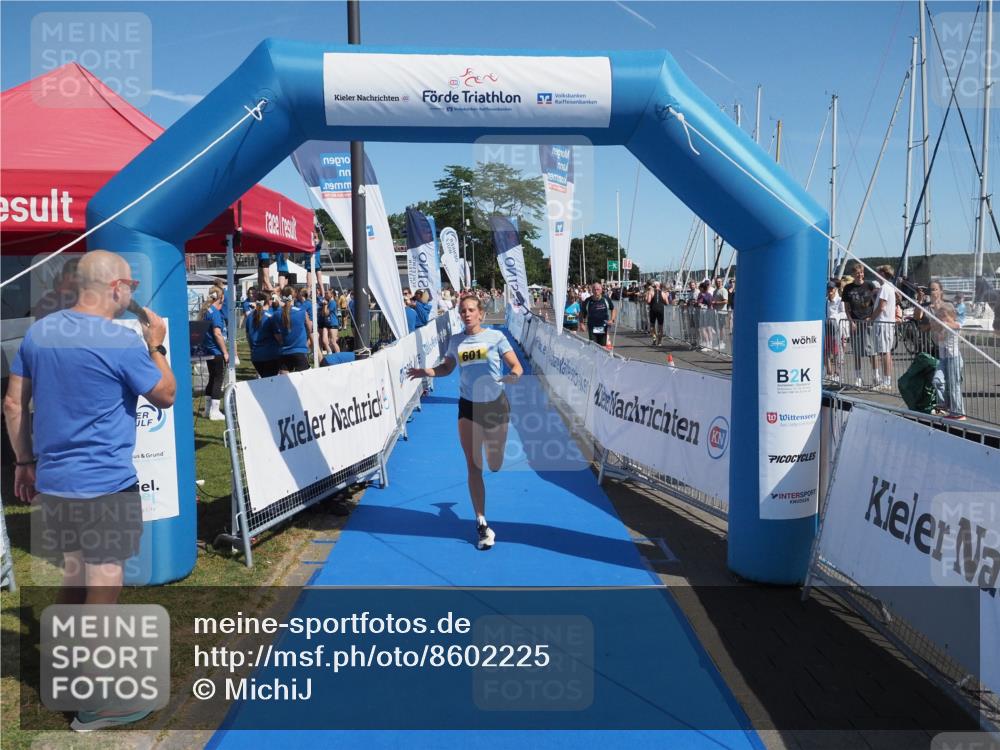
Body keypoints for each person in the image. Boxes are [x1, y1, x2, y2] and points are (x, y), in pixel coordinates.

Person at [3, 250, 175, 731]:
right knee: (104, 585)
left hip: (55, 483)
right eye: (131, 288)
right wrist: (155, 344)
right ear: (116, 287)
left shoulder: (40, 331)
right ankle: (95, 701)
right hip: (104, 484)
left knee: (76, 578)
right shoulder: (120, 342)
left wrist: (24, 462)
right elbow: (166, 394)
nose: (132, 297)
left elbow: (14, 405)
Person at [406, 295, 523, 550]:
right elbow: (447, 368)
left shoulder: (495, 338)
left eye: (471, 310)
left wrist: (513, 375)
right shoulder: (457, 341)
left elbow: (515, 365)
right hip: (467, 406)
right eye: (463, 311)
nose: (466, 314)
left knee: (494, 464)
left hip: (495, 406)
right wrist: (427, 371)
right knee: (473, 465)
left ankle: (496, 454)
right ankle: (481, 521)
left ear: (480, 313)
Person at [841, 262, 878, 387]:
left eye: (861, 272)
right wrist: (851, 322)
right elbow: (846, 308)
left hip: (868, 322)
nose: (860, 275)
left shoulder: (869, 285)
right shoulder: (848, 288)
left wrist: (872, 317)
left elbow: (877, 301)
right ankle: (858, 377)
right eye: (857, 273)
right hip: (855, 322)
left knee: (872, 350)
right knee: (856, 351)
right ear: (853, 274)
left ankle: (875, 376)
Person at [200, 289, 228, 420]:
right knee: (218, 379)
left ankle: (207, 410)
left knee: (212, 378)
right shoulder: (215, 313)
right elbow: (217, 333)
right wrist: (225, 352)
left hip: (208, 350)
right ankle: (215, 411)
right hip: (216, 351)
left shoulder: (206, 311)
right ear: (221, 298)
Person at [869, 265, 898, 389]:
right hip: (884, 323)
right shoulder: (887, 287)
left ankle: (887, 381)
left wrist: (871, 319)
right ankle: (886, 380)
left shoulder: (885, 288)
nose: (876, 275)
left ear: (882, 273)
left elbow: (881, 307)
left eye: (877, 272)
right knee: (884, 352)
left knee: (885, 352)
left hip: (883, 323)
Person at [245, 292, 282, 377]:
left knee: (265, 382)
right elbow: (279, 338)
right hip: (270, 355)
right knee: (271, 384)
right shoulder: (270, 317)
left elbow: (248, 337)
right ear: (268, 301)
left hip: (256, 356)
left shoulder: (250, 316)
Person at [276, 286, 311, 373]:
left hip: (284, 352)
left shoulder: (276, 314)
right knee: (305, 383)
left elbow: (276, 333)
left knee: (284, 384)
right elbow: (310, 329)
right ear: (294, 296)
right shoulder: (302, 312)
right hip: (299, 350)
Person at [581, 282, 616, 347]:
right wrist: (582, 323)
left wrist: (612, 319)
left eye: (598, 289)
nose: (596, 291)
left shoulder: (606, 299)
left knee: (603, 347)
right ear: (592, 290)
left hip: (603, 327)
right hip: (592, 327)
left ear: (601, 290)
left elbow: (613, 309)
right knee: (594, 347)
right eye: (594, 289)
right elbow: (582, 313)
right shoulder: (587, 301)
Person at [825, 281, 847, 380]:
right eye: (829, 288)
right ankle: (829, 373)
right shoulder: (825, 301)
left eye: (832, 288)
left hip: (837, 328)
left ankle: (837, 374)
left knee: (837, 351)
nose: (830, 290)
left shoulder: (840, 300)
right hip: (827, 328)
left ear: (835, 289)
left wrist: (834, 318)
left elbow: (843, 314)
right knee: (826, 351)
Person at [645, 281, 669, 346]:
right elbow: (667, 303)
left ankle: (654, 338)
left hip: (653, 309)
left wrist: (647, 295)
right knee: (660, 326)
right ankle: (659, 342)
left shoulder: (651, 292)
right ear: (659, 286)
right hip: (660, 310)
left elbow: (648, 301)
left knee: (652, 325)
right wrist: (663, 301)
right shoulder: (663, 293)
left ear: (654, 286)